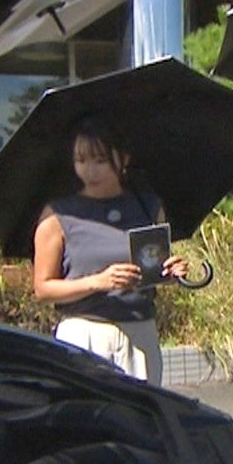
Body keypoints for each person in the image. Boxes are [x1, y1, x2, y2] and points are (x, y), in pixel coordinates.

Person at [32, 117, 188, 385]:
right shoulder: (58, 215)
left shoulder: (148, 206)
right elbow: (43, 288)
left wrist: (172, 272)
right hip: (83, 333)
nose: (89, 171)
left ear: (123, 159)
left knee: (140, 411)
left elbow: (153, 267)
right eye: (81, 160)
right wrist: (98, 282)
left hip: (139, 332)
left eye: (100, 161)